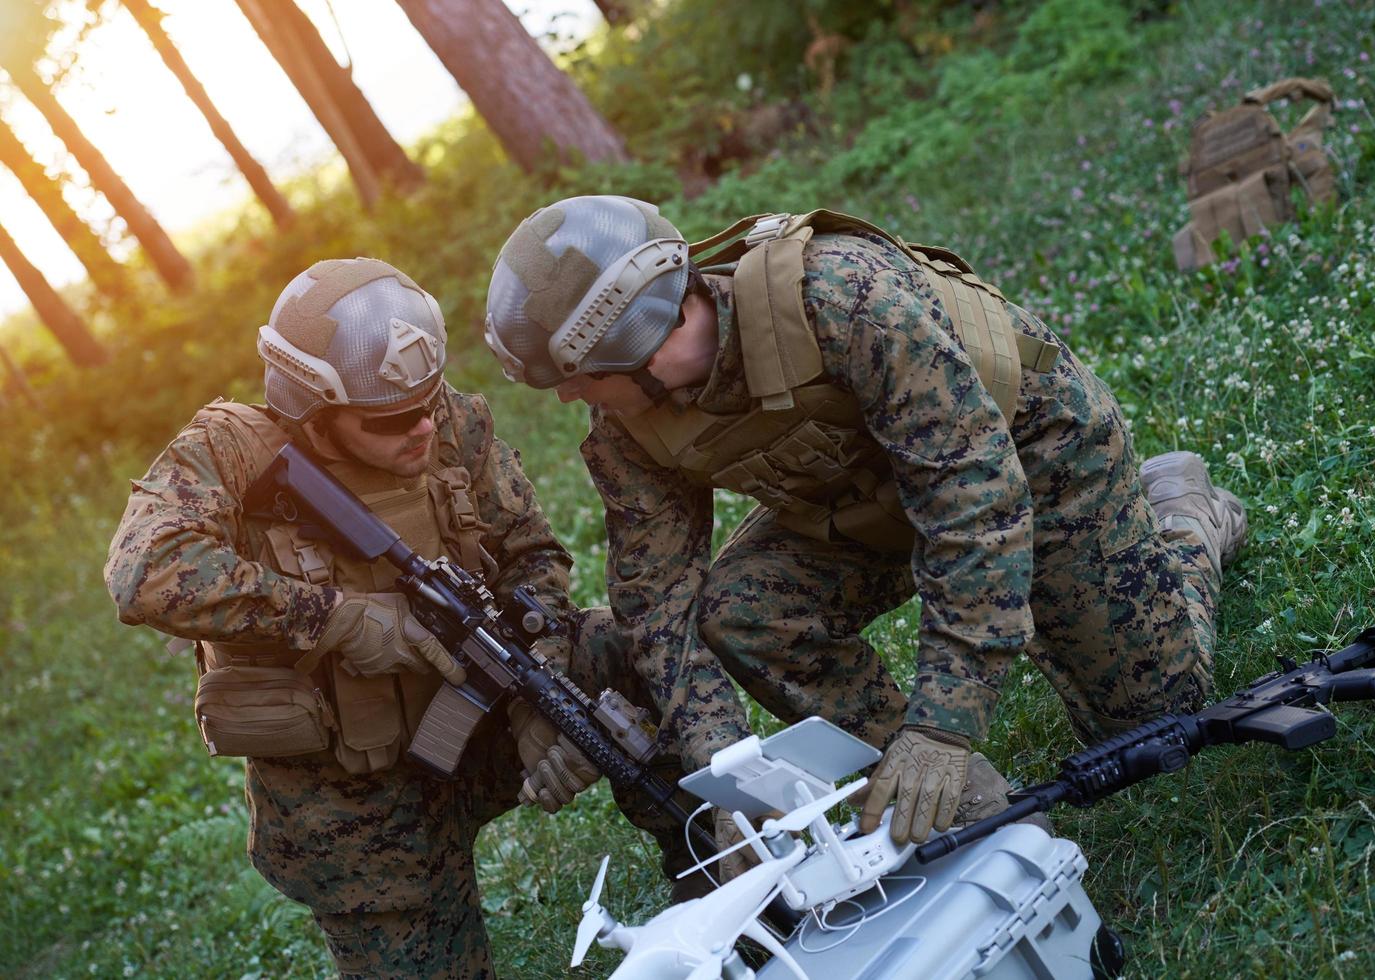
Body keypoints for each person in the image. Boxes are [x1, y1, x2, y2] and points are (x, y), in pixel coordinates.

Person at [482, 197, 1247, 855]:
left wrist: (945, 727)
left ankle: (1182, 516)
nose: (564, 399)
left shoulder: (843, 298)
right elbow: (660, 607)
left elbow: (972, 498)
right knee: (742, 613)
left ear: (629, 341)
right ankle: (920, 783)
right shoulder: (625, 430)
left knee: (1155, 727)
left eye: (573, 378)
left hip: (1030, 455)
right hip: (867, 501)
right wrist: (730, 785)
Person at [104, 257, 694, 978]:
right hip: (357, 804)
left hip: (481, 723)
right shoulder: (228, 453)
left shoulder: (446, 419)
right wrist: (340, 619)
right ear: (312, 411)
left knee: (625, 648)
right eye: (389, 418)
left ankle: (709, 864)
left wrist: (535, 695)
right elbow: (143, 572)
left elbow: (534, 554)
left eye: (427, 400)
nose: (421, 427)